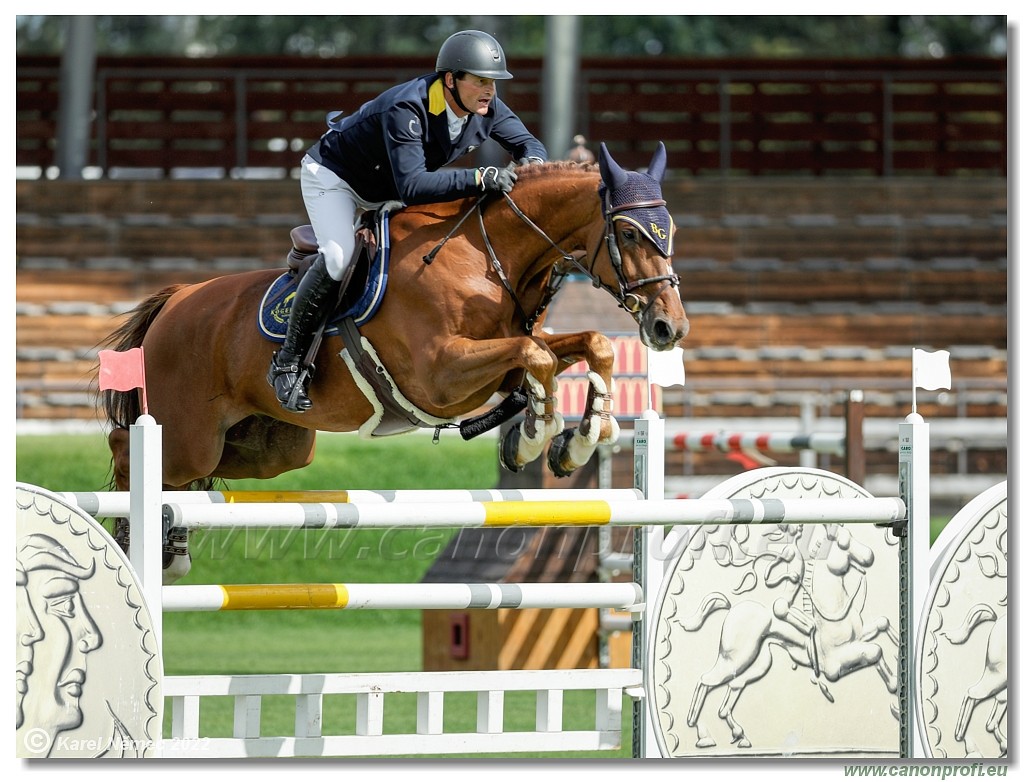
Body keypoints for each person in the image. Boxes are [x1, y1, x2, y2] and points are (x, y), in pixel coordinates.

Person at [269, 29, 548, 413]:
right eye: (480, 81)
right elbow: (414, 185)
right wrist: (479, 177)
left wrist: (533, 170)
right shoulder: (408, 107)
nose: (489, 91)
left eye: (493, 83)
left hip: (389, 187)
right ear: (450, 80)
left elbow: (530, 145)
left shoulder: (488, 108)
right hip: (336, 179)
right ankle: (287, 363)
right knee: (337, 256)